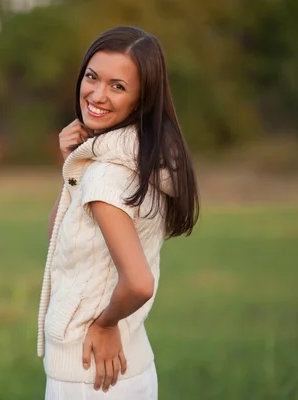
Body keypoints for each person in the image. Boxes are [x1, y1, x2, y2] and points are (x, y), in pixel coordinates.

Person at [36, 26, 200, 399]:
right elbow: (60, 239)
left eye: (118, 86)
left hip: (92, 373)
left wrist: (105, 325)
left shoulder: (106, 176)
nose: (96, 94)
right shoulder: (140, 160)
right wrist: (71, 168)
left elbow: (139, 283)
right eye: (92, 77)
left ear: (142, 100)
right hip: (132, 368)